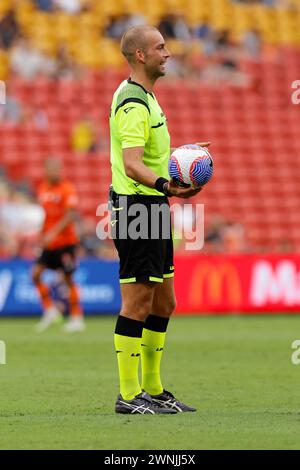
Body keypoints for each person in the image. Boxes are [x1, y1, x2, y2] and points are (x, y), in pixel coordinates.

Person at [110, 25, 209, 414]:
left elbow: (146, 156)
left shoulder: (146, 98)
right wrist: (169, 185)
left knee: (164, 301)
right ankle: (129, 394)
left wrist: (184, 156)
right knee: (137, 303)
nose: (168, 53)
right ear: (140, 56)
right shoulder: (134, 103)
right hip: (137, 208)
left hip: (152, 207)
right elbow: (133, 166)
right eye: (160, 47)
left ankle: (152, 388)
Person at [32, 158, 85, 333]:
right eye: (51, 168)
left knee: (68, 279)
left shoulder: (67, 189)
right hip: (49, 243)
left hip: (66, 243)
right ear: (45, 170)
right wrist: (41, 234)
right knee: (36, 274)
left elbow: (71, 215)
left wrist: (52, 233)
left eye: (57, 168)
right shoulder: (42, 189)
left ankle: (77, 317)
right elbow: (46, 216)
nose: (55, 172)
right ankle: (50, 310)